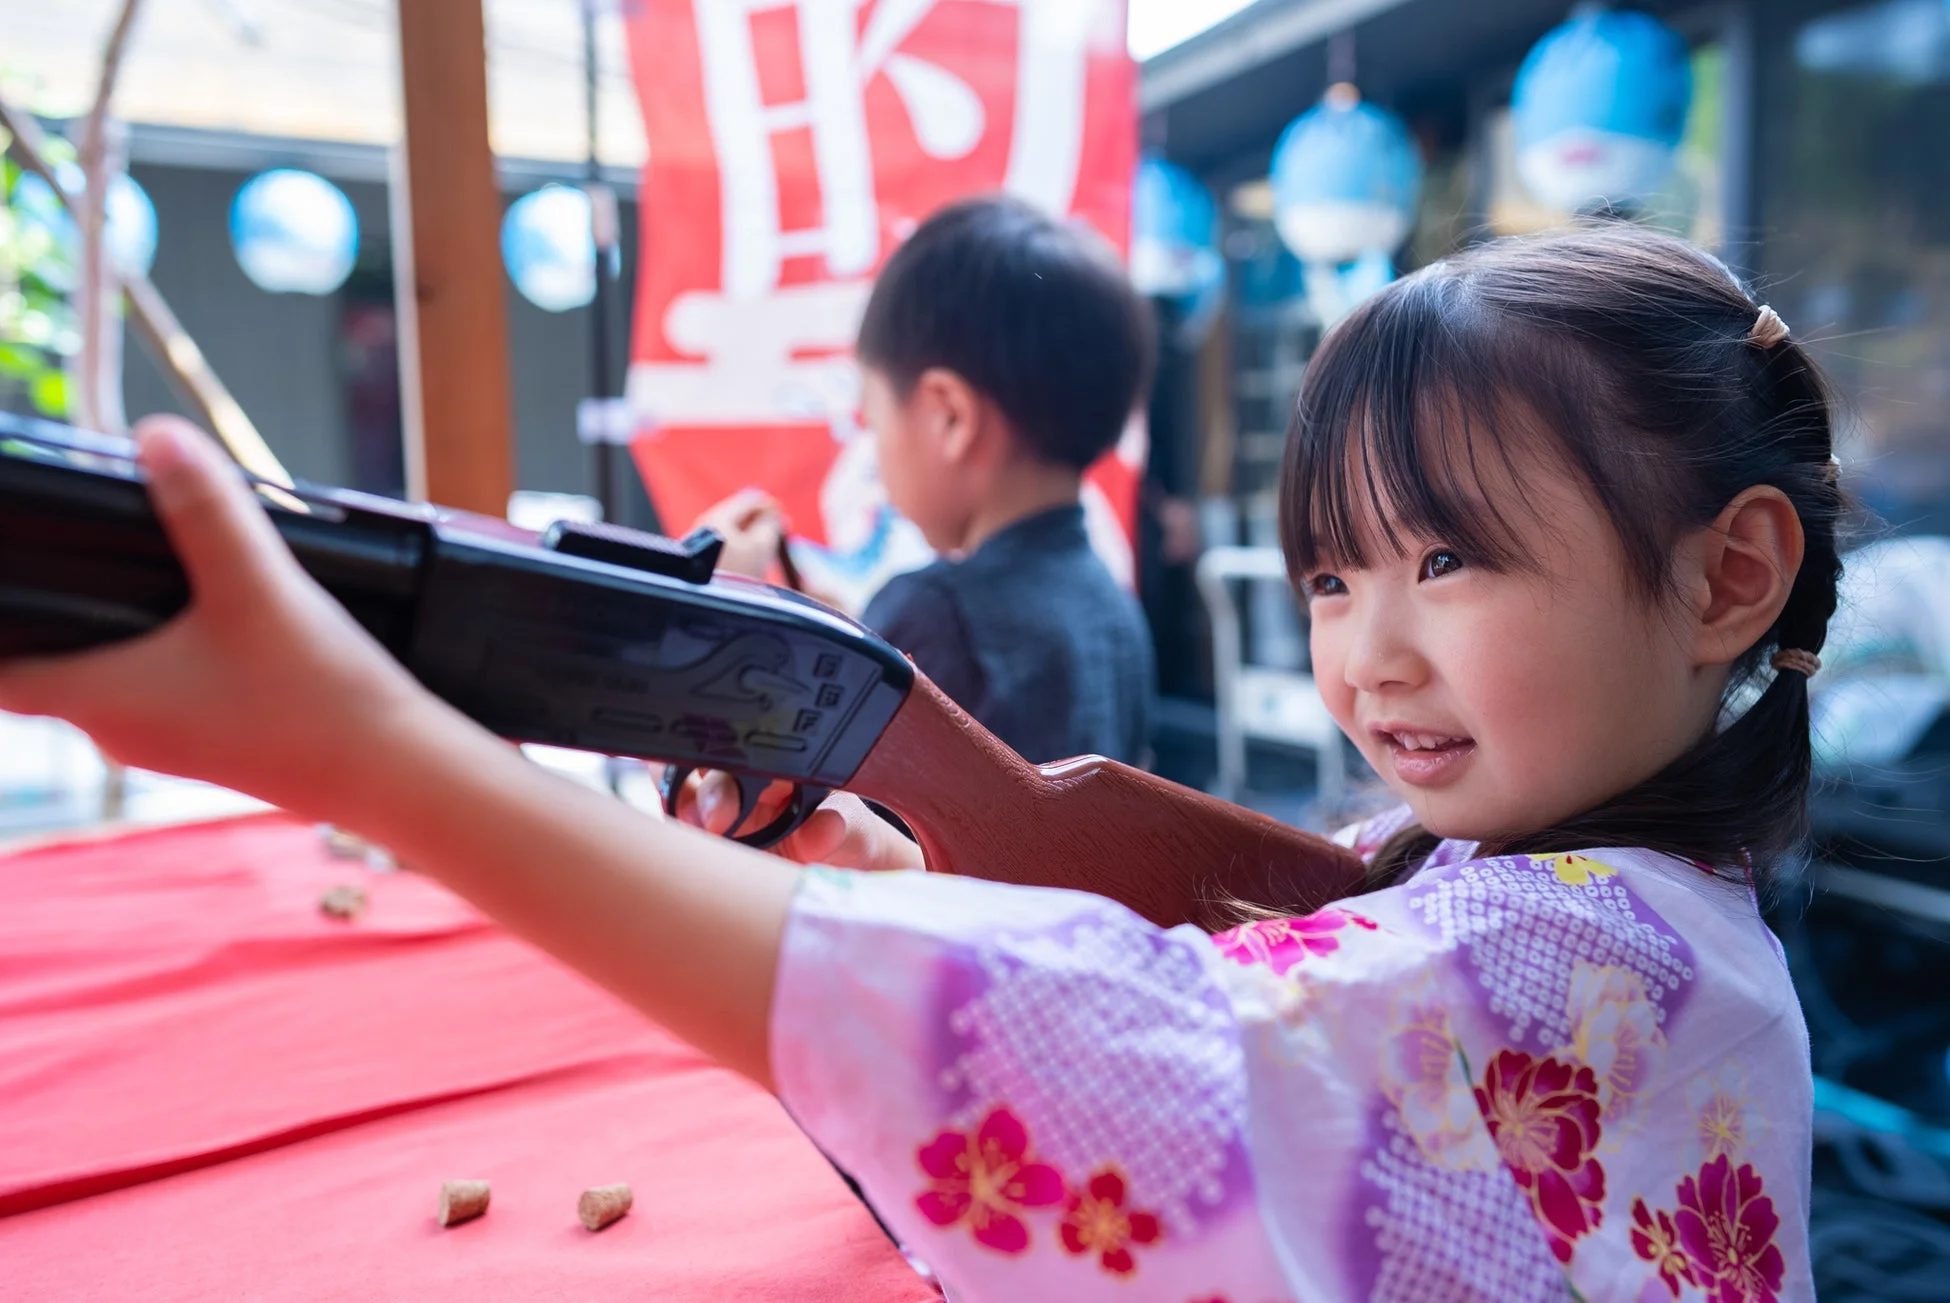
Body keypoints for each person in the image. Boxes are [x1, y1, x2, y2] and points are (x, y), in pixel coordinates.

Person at [0, 222, 1831, 1302]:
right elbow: (1275, 989)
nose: (1372, 652)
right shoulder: (1613, 908)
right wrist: (892, 878)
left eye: (1451, 558)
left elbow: (1148, 1058)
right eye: (1335, 575)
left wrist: (380, 753)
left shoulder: (1598, 947)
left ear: (1725, 576)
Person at [697, 196, 1157, 767]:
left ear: (950, 418)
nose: (874, 448)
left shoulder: (936, 615)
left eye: (874, 417)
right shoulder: (1115, 608)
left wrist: (715, 610)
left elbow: (776, 804)